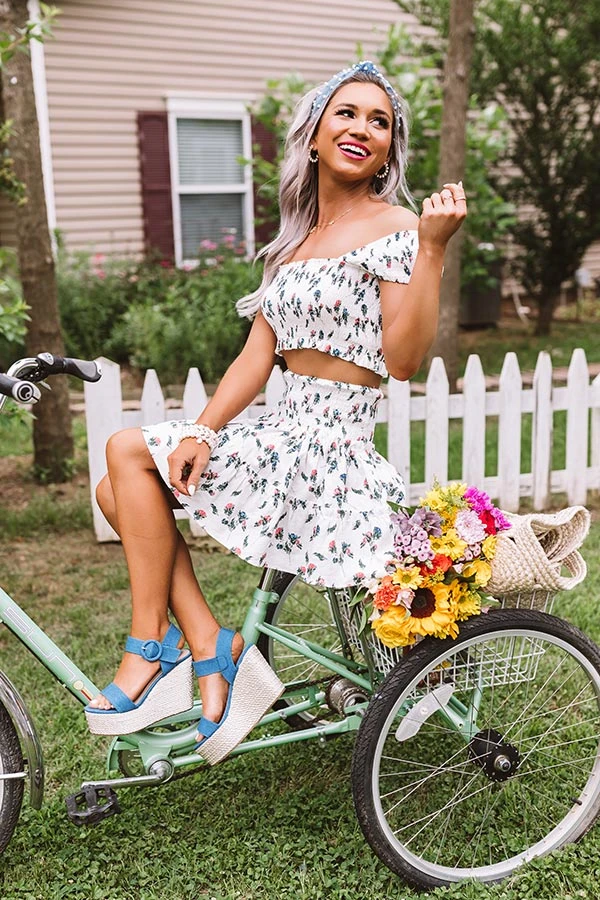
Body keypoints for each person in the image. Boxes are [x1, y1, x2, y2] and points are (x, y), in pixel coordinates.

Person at [85, 60, 467, 765]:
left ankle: (154, 646)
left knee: (124, 451)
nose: (362, 128)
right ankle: (209, 642)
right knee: (120, 484)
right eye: (347, 113)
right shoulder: (292, 244)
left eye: (380, 121)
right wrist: (204, 430)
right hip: (283, 432)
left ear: (390, 150)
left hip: (334, 449)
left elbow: (404, 359)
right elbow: (256, 357)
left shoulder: (400, 227)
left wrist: (434, 249)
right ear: (314, 135)